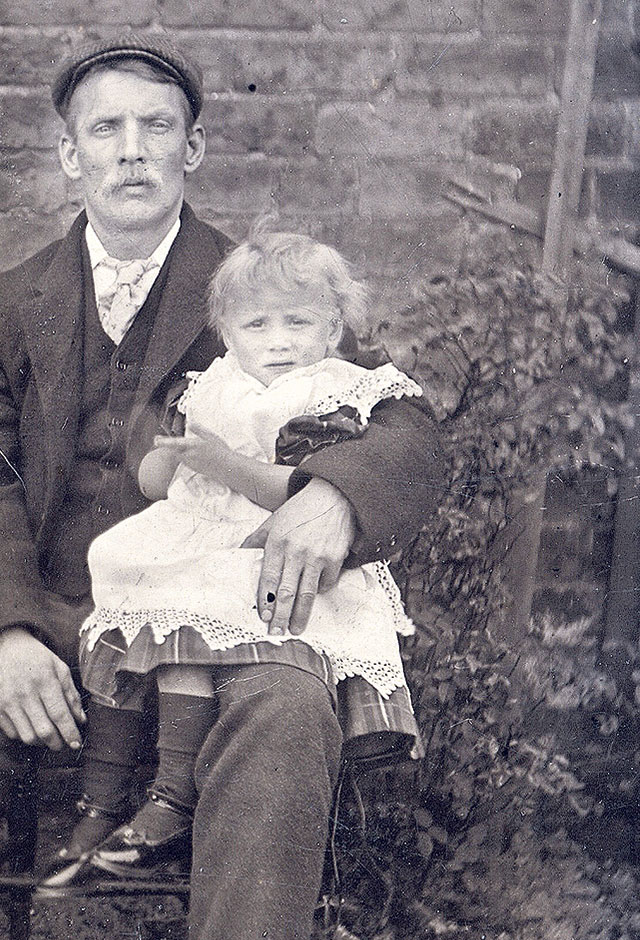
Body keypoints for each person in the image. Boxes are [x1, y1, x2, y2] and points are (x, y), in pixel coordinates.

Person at [0, 39, 445, 940]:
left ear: (193, 149)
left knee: (285, 713)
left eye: (155, 128)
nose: (131, 152)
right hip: (44, 608)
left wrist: (336, 498)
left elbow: (401, 419)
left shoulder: (259, 286)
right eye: (105, 132)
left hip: (209, 615)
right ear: (67, 160)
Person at [42, 231, 423, 886]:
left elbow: (297, 489)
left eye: (298, 322)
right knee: (126, 586)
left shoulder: (325, 395)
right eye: (257, 324)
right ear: (227, 332)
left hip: (269, 547)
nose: (278, 340)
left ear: (331, 328)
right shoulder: (211, 385)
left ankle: (170, 797)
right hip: (200, 532)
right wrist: (168, 460)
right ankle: (100, 800)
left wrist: (221, 462)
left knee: (185, 628)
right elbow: (160, 481)